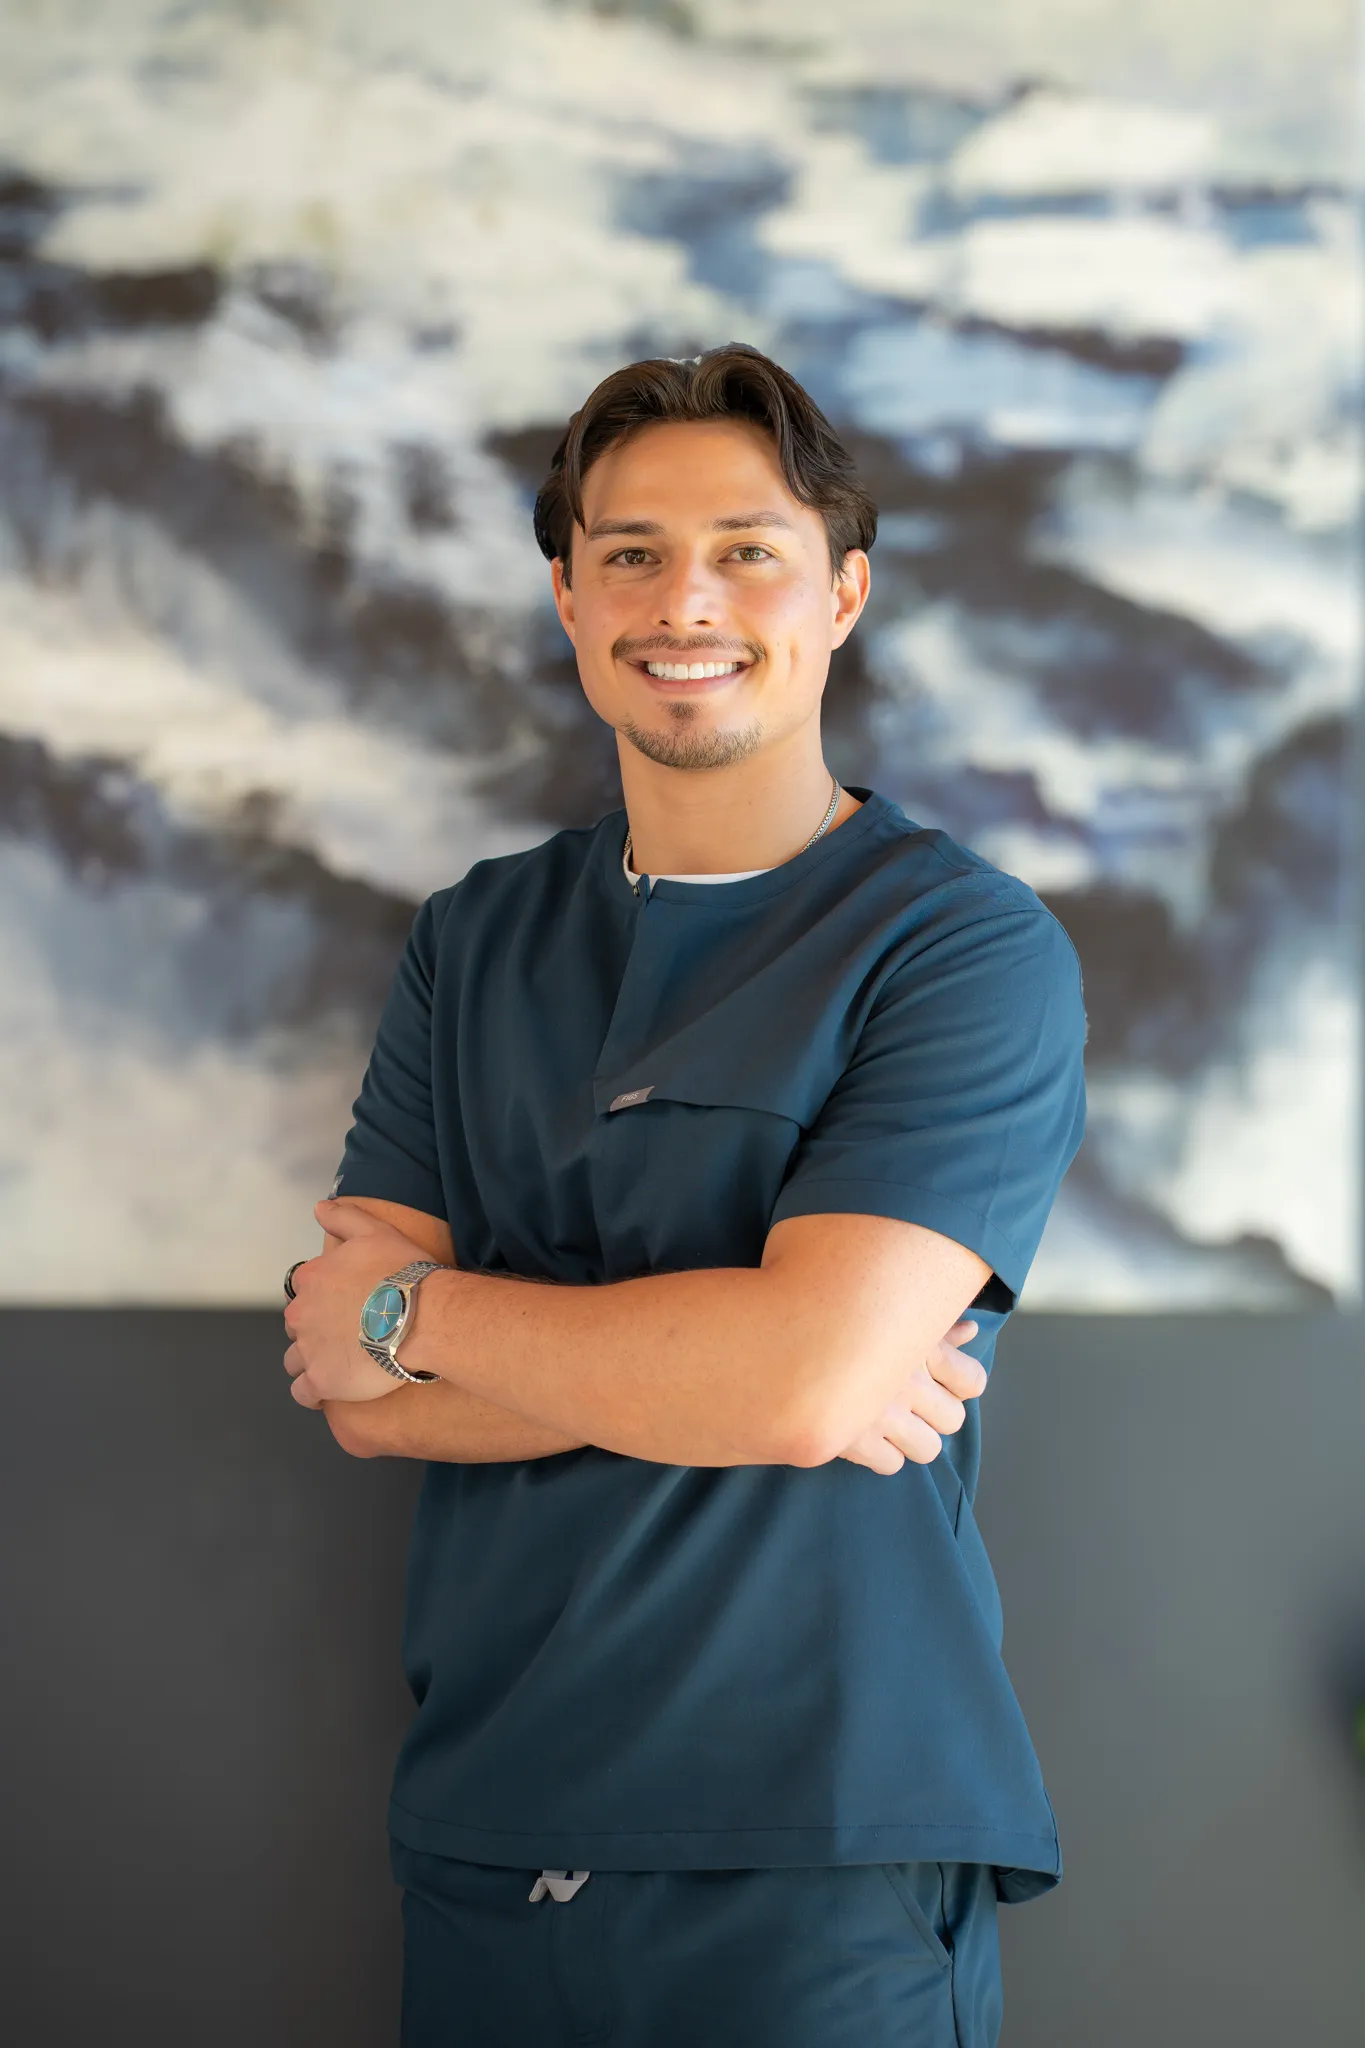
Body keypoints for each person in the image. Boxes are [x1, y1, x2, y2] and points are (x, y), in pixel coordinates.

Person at [281, 342, 1087, 2047]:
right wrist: (742, 1368)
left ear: (842, 594)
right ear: (570, 598)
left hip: (816, 1855)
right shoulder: (473, 940)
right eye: (632, 553)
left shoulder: (960, 946)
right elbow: (351, 1390)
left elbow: (791, 1385)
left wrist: (424, 1315)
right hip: (491, 1827)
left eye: (747, 551)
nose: (684, 601)